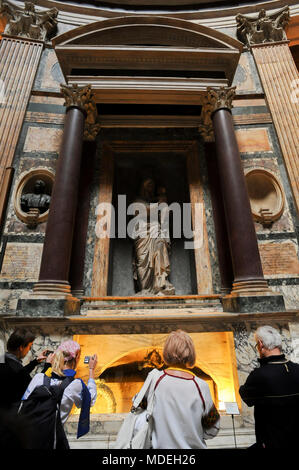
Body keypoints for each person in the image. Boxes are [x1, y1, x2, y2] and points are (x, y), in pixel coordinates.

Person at [140, 330, 220, 449]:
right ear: (191, 353)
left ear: (166, 352)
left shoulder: (155, 381)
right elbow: (213, 427)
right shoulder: (200, 386)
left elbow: (140, 416)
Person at [22, 340, 98, 447]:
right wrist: (91, 370)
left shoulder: (39, 378)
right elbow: (91, 400)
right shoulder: (75, 385)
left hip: (28, 439)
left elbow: (23, 404)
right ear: (77, 358)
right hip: (52, 441)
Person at [239, 325, 299, 449]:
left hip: (271, 443)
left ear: (261, 344)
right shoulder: (297, 369)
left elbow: (247, 398)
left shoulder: (259, 375)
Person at [132, 177, 175, 296]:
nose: (150, 188)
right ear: (143, 186)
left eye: (152, 185)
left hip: (156, 231)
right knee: (143, 260)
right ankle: (145, 288)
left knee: (160, 250)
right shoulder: (137, 201)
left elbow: (166, 215)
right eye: (148, 185)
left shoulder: (159, 202)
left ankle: (161, 283)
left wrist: (163, 199)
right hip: (142, 234)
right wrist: (159, 205)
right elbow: (140, 211)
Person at [0, 329, 49, 409]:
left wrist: (35, 361)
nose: (29, 350)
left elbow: (17, 375)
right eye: (29, 347)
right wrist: (48, 365)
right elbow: (34, 389)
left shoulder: (3, 359)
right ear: (21, 347)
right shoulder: (18, 370)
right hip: (11, 415)